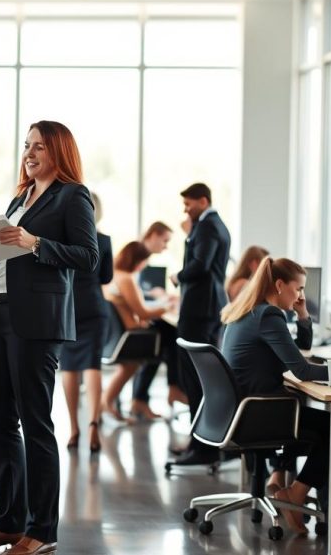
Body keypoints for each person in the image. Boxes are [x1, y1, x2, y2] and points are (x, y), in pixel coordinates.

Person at [0, 121, 99, 555]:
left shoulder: (73, 196)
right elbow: (8, 263)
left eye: (38, 146)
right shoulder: (21, 196)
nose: (29, 152)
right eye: (26, 145)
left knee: (35, 424)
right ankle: (9, 522)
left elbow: (89, 257)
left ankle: (42, 531)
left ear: (58, 151)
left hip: (37, 324)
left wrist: (36, 242)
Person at [221, 257, 331, 533]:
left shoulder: (251, 310)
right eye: (298, 289)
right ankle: (297, 493)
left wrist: (302, 315)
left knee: (299, 405)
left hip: (240, 411)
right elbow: (302, 370)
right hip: (258, 414)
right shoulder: (269, 316)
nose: (302, 295)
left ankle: (281, 479)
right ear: (279, 285)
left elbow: (299, 350)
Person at [169, 182, 232, 466]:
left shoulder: (206, 227)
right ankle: (202, 442)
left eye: (189, 204)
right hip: (206, 307)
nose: (186, 209)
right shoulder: (214, 224)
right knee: (199, 378)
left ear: (203, 201)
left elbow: (200, 265)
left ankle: (203, 447)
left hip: (199, 309)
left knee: (194, 378)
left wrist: (178, 277)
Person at [100, 242, 179, 423]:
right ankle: (173, 387)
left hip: (115, 337)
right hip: (129, 338)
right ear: (137, 260)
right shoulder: (127, 278)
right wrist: (167, 306)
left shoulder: (113, 276)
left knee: (132, 365)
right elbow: (143, 312)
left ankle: (123, 402)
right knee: (169, 336)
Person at [59, 190, 112, 452]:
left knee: (68, 368)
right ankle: (93, 424)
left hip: (68, 307)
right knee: (93, 367)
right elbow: (106, 278)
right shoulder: (103, 240)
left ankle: (73, 428)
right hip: (94, 307)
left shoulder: (63, 239)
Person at [128, 221, 186, 415]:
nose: (166, 246)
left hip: (136, 315)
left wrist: (159, 299)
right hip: (130, 322)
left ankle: (142, 398)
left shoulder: (139, 256)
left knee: (166, 339)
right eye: (165, 240)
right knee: (171, 335)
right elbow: (131, 293)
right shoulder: (136, 255)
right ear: (153, 235)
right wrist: (163, 306)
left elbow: (137, 293)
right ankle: (173, 387)